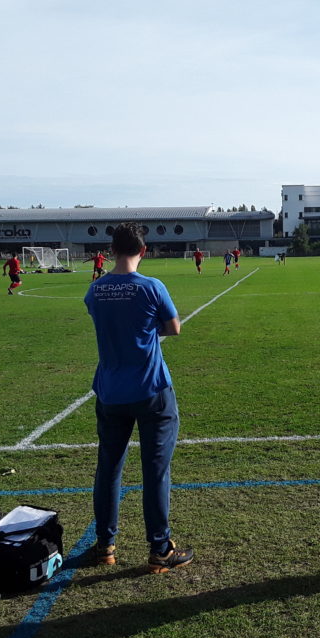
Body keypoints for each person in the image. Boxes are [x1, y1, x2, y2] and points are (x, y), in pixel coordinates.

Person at [85, 222, 193, 573]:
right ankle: (160, 548)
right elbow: (174, 328)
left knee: (109, 469)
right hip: (151, 390)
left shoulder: (96, 290)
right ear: (143, 251)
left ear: (111, 250)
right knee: (155, 471)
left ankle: (105, 545)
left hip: (111, 391)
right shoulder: (151, 287)